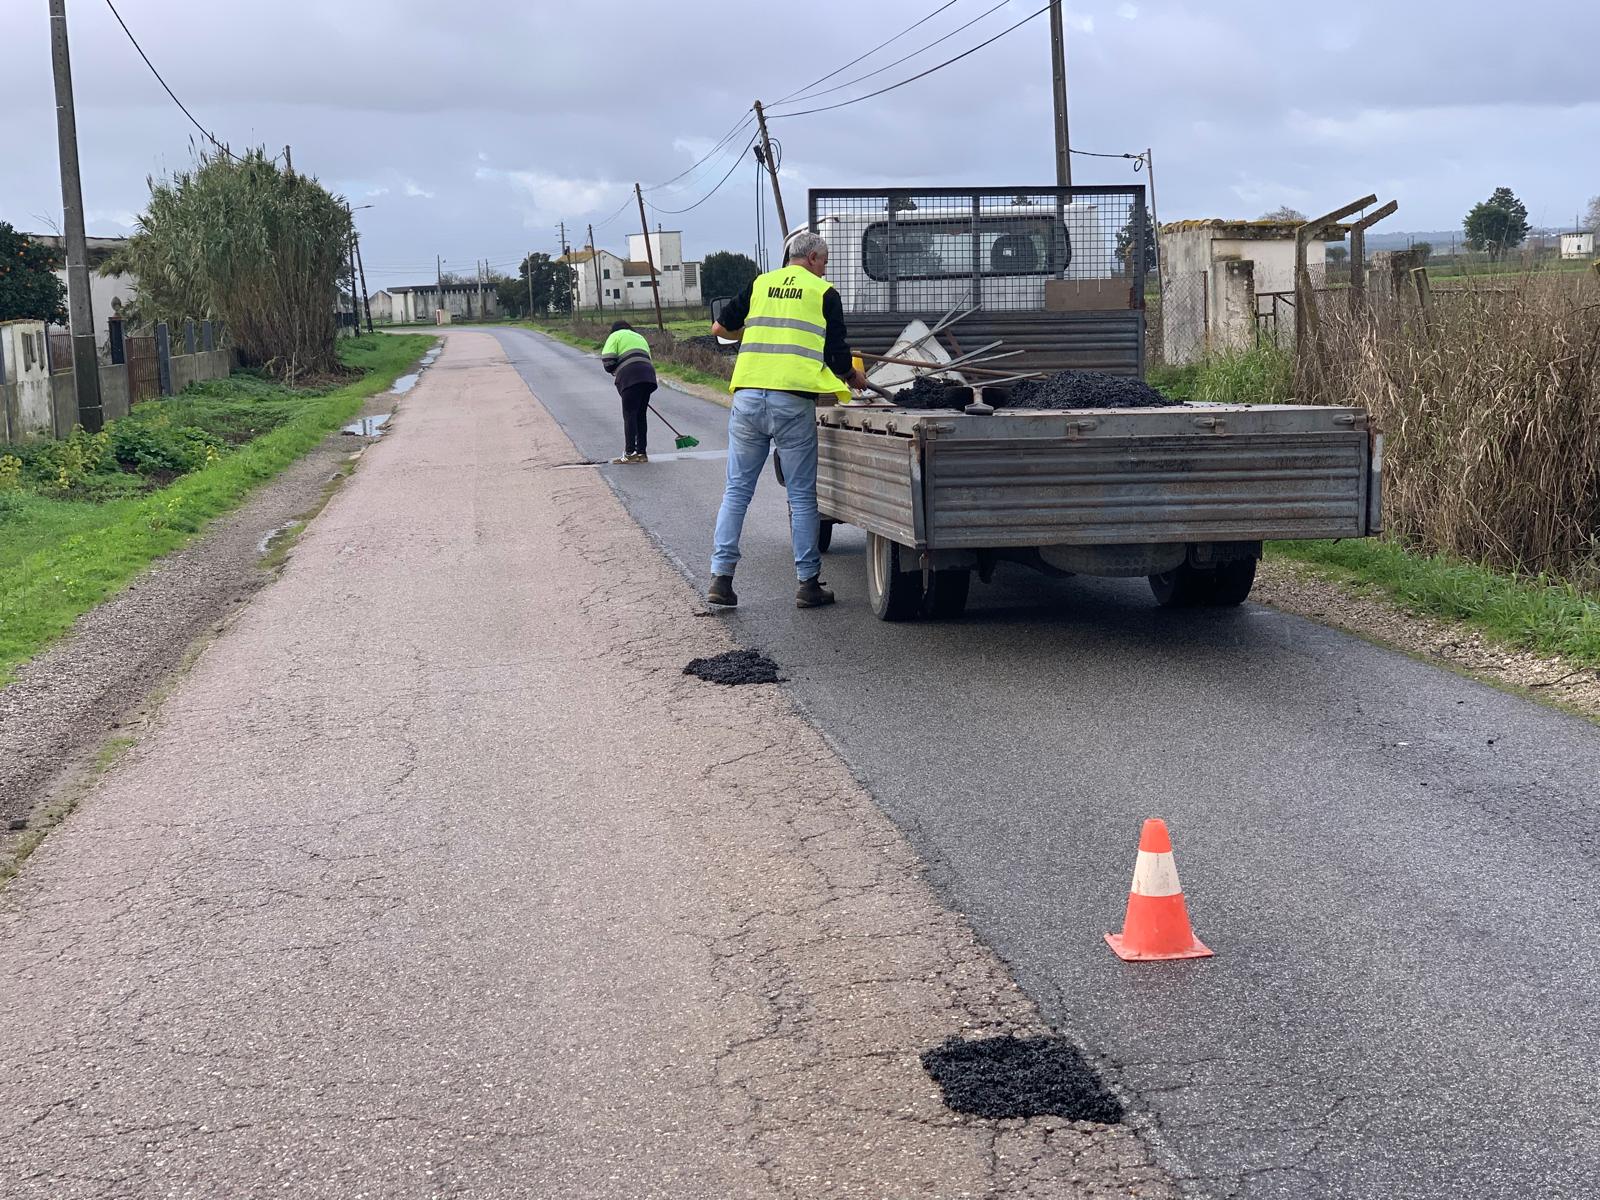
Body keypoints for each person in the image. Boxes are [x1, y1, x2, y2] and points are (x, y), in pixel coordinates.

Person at [705, 229, 868, 610]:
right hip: (792, 402)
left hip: (747, 397)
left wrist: (755, 330)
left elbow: (720, 328)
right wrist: (852, 376)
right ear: (811, 258)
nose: (825, 271)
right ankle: (808, 584)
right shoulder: (823, 293)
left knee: (736, 491)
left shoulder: (760, 283)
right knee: (801, 495)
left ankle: (721, 578)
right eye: (824, 263)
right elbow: (837, 355)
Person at [599, 320, 657, 464]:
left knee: (630, 414)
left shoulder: (615, 336)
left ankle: (630, 453)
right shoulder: (639, 337)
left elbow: (608, 360)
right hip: (648, 376)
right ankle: (642, 453)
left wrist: (614, 369)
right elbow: (647, 358)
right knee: (640, 415)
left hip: (630, 377)